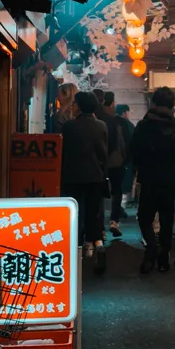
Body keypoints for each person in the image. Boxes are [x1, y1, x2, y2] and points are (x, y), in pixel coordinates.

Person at [130, 86, 175, 273]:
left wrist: (143, 166)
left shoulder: (143, 126)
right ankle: (163, 259)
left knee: (144, 217)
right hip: (170, 180)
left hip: (149, 179)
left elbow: (133, 152)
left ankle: (151, 249)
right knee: (166, 219)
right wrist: (173, 167)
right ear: (172, 105)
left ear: (153, 103)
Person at [60, 91, 108, 269]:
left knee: (74, 212)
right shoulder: (101, 126)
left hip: (71, 175)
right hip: (95, 176)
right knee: (92, 211)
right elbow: (103, 153)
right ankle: (92, 243)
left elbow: (62, 153)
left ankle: (75, 245)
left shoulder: (68, 127)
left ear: (78, 106)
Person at [99, 90, 127, 237]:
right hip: (116, 161)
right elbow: (124, 142)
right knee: (117, 191)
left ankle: (100, 228)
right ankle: (114, 221)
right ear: (111, 103)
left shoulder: (97, 119)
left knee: (99, 194)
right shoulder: (119, 122)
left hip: (99, 163)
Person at [116, 104, 136, 210]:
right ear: (124, 113)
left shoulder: (112, 123)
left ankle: (118, 208)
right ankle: (121, 208)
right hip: (126, 160)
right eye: (128, 112)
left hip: (114, 160)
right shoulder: (128, 125)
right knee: (124, 185)